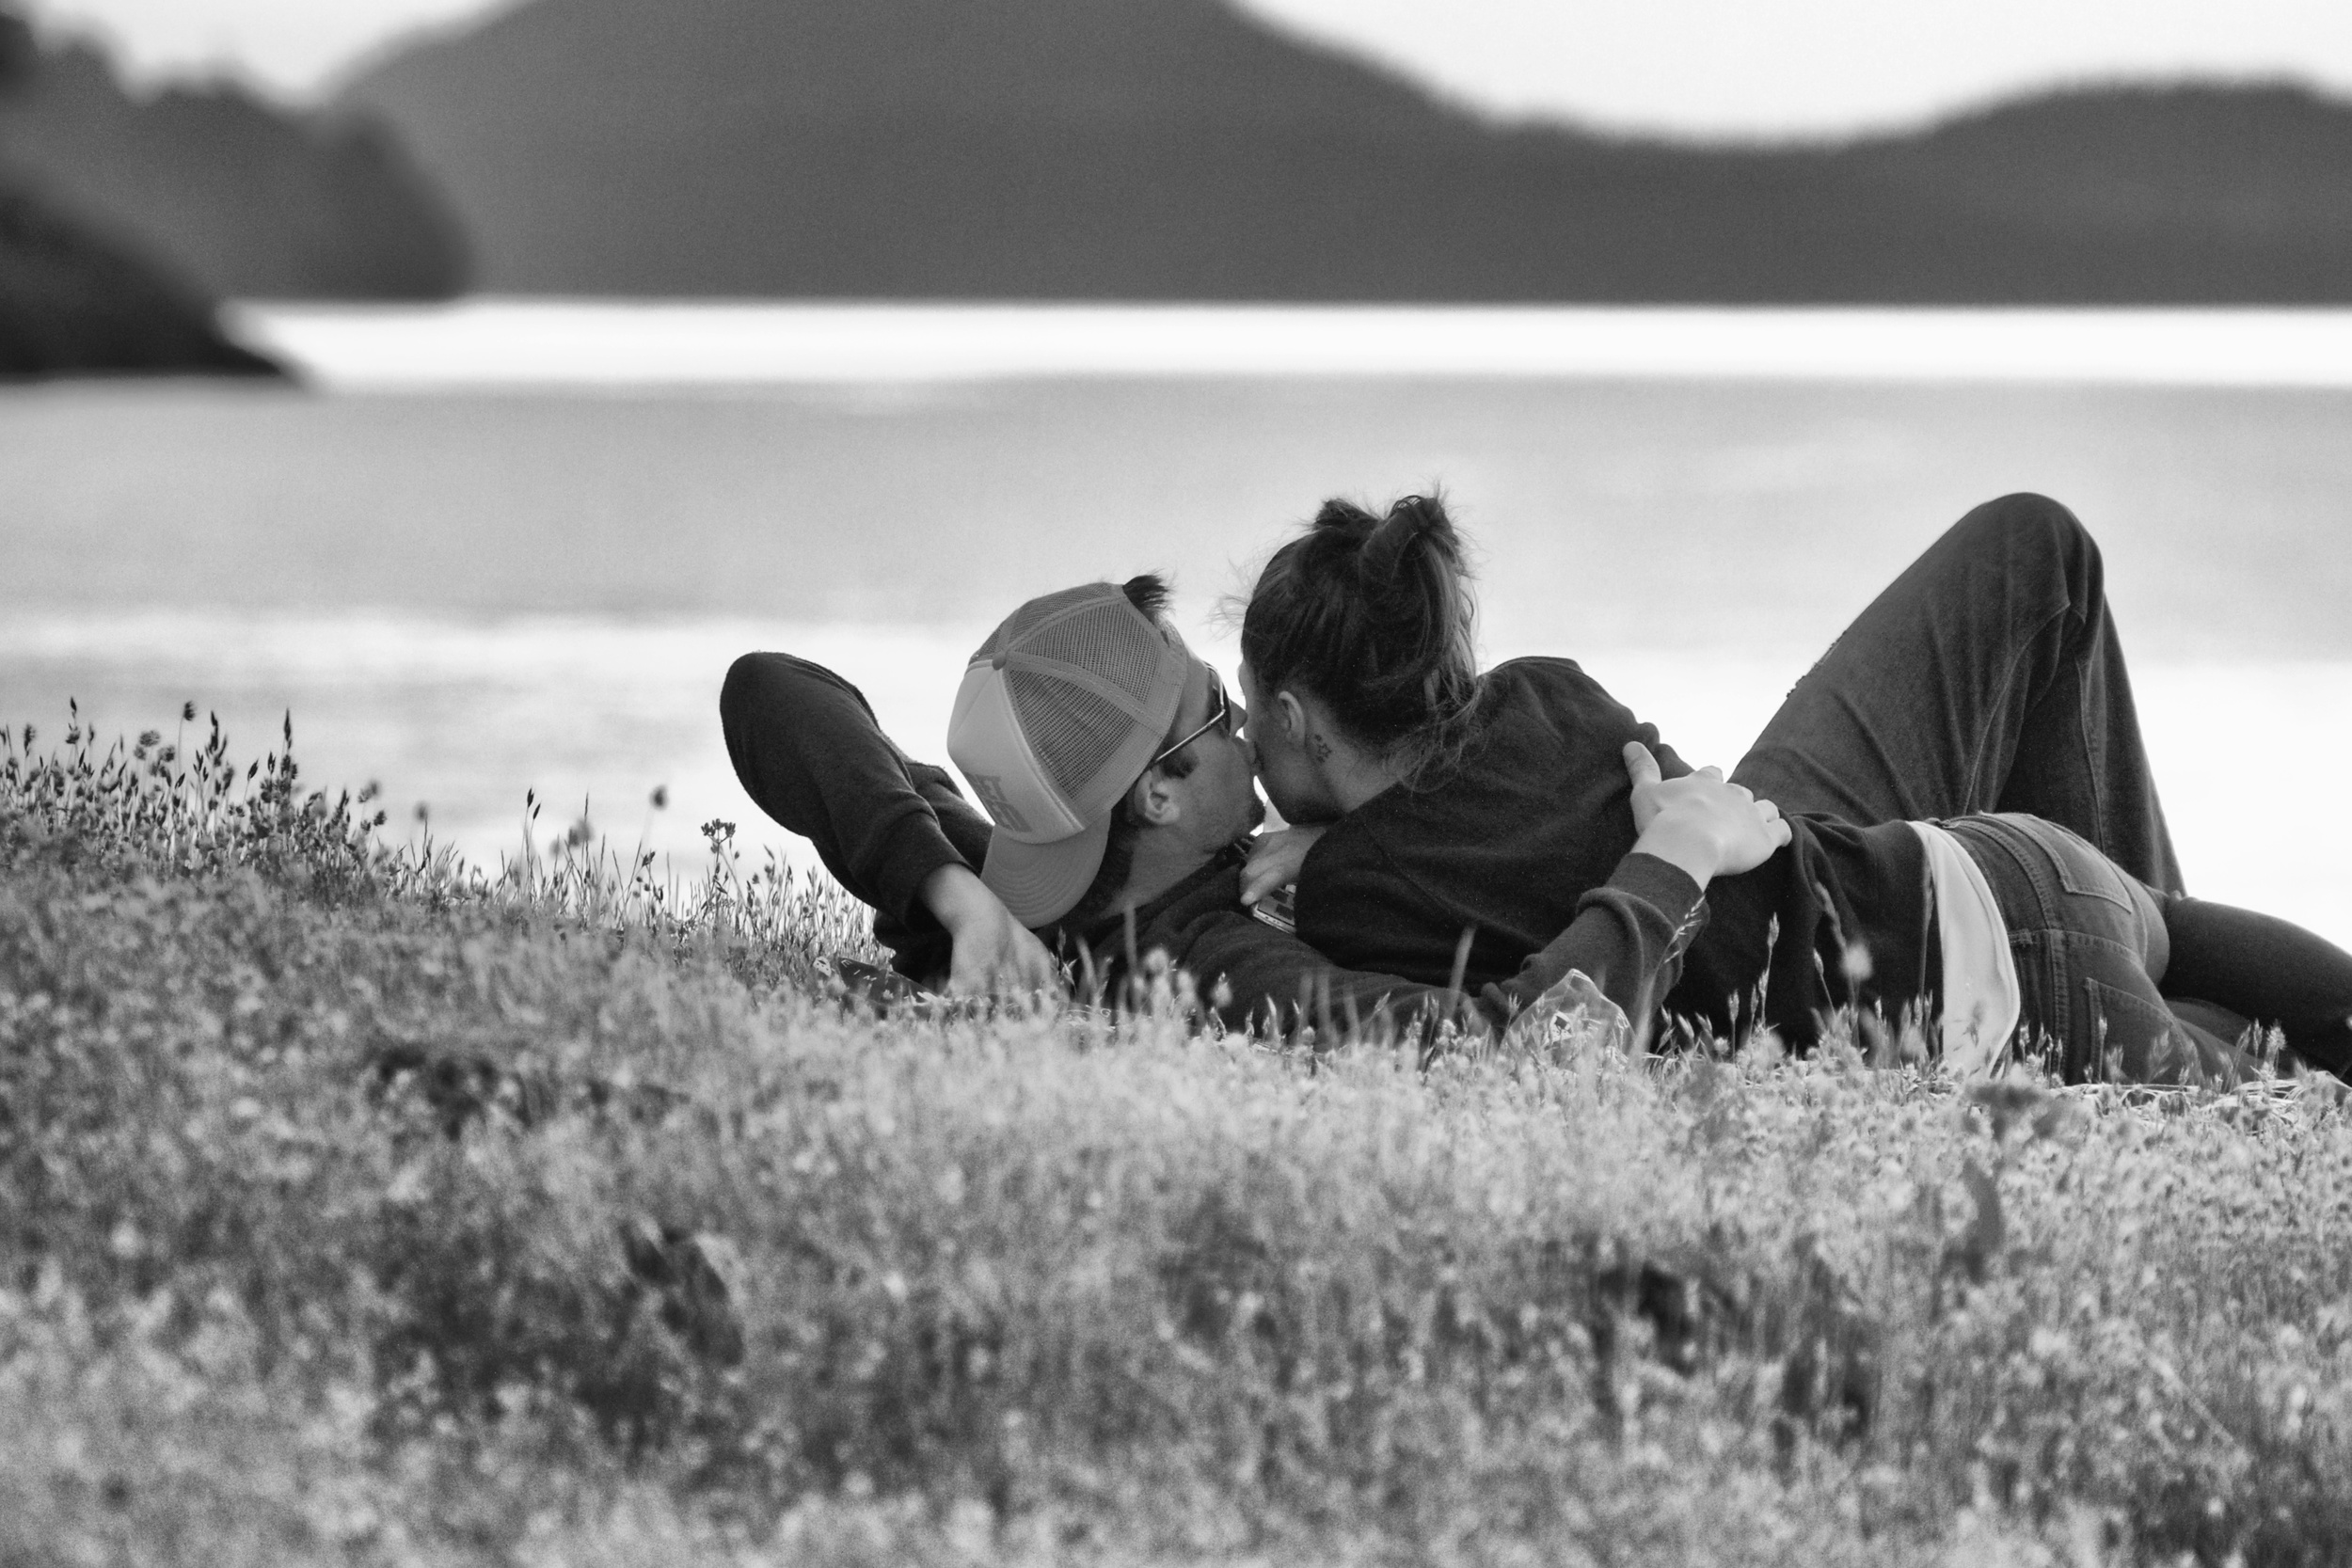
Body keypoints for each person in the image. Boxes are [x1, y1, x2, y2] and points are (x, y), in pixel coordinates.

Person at [1236, 490, 2352, 1085]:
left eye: (1248, 716)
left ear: (1295, 719)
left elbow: (1493, 963)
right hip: (1975, 860)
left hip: (1994, 977)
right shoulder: (1544, 690)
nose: (1244, 749)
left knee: (2276, 1105)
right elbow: (1697, 812)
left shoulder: (1353, 902)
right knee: (2164, 936)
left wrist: (1325, 862)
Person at [720, 575, 1786, 1037]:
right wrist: (1673, 862)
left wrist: (955, 893)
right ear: (1161, 789)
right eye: (1219, 716)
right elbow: (1519, 1052)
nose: (1246, 734)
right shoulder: (1217, 969)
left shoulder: (1007, 886)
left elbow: (772, 688)